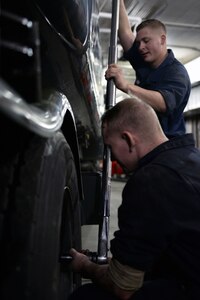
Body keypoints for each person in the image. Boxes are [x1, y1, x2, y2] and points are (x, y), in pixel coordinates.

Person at [68, 97, 200, 300]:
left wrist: (86, 266)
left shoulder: (150, 181)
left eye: (110, 148)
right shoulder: (192, 157)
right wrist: (114, 263)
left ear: (128, 139)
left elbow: (123, 288)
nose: (111, 158)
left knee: (86, 297)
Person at [105, 0, 191, 138]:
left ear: (162, 40)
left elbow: (163, 103)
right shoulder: (145, 62)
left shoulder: (177, 73)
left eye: (146, 41)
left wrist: (126, 86)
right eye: (139, 43)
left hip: (168, 145)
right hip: (147, 139)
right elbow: (126, 33)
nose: (140, 47)